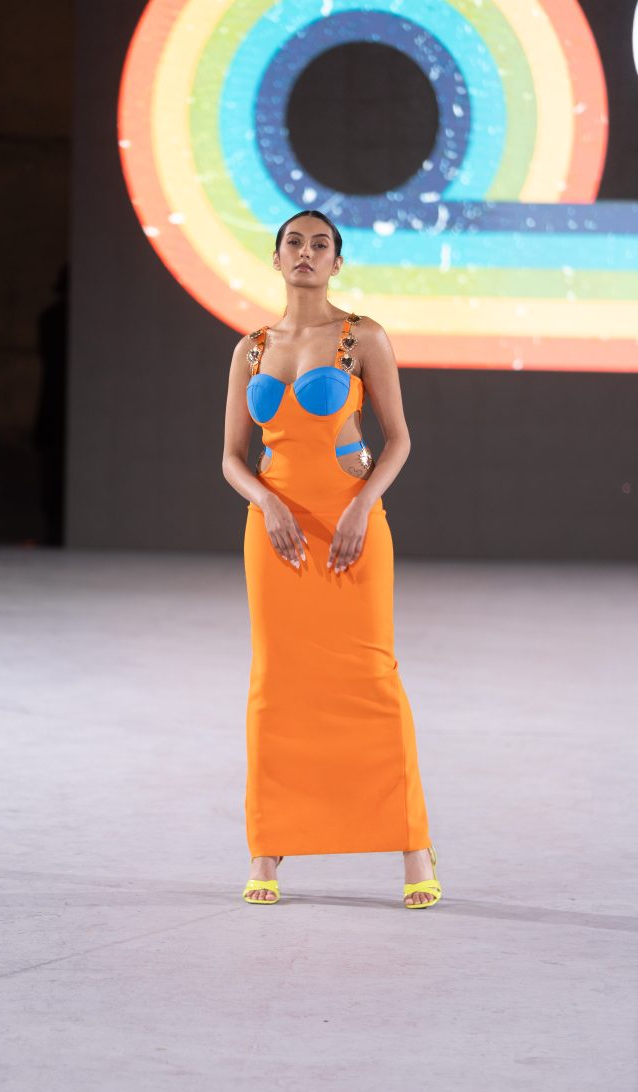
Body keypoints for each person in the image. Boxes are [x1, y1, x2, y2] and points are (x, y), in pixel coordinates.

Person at [221, 210, 442, 909]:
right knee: (277, 684)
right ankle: (267, 848)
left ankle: (413, 847)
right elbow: (231, 458)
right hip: (276, 534)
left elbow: (399, 439)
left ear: (337, 262)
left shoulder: (362, 336)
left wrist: (361, 505)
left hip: (353, 527)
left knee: (371, 679)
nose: (306, 253)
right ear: (276, 257)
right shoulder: (251, 348)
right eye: (295, 242)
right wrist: (267, 502)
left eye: (321, 245)